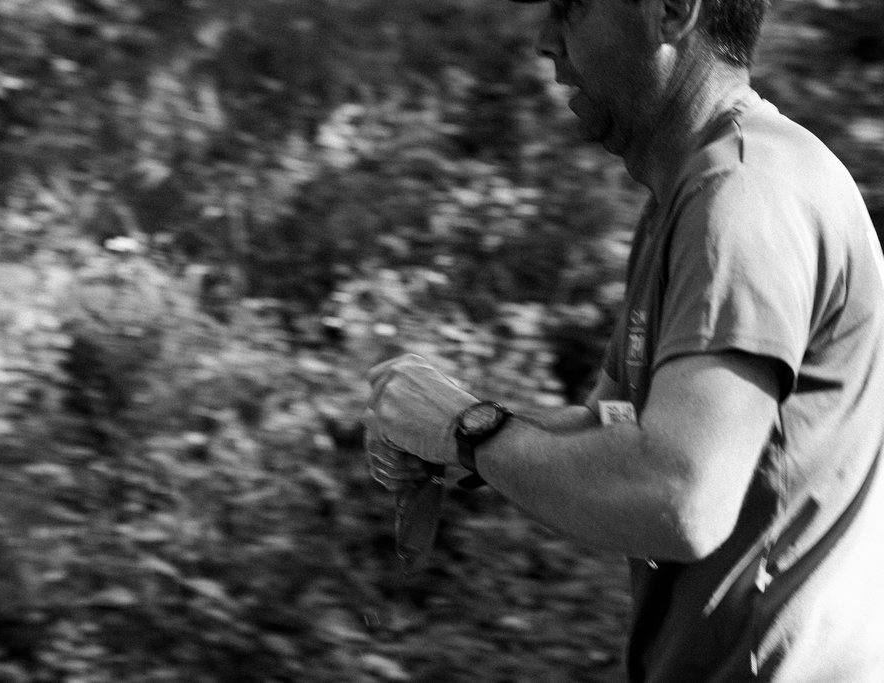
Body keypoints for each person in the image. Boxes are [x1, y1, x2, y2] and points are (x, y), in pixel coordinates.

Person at [363, 0, 884, 679]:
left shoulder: (743, 195)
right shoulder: (696, 191)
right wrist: (452, 436)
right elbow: (613, 427)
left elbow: (680, 496)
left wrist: (470, 433)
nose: (546, 41)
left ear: (672, 12)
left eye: (571, 8)